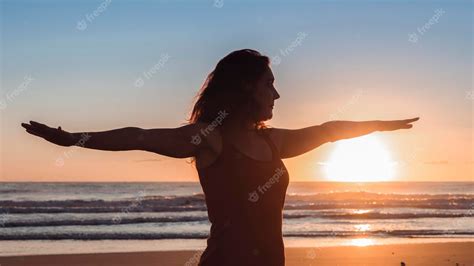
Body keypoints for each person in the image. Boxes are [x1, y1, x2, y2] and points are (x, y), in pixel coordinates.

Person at [21, 49, 419, 266]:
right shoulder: (210, 139)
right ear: (247, 87)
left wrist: (384, 125)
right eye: (270, 85)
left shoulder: (272, 143)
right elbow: (139, 136)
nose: (277, 95)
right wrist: (73, 138)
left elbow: (330, 130)